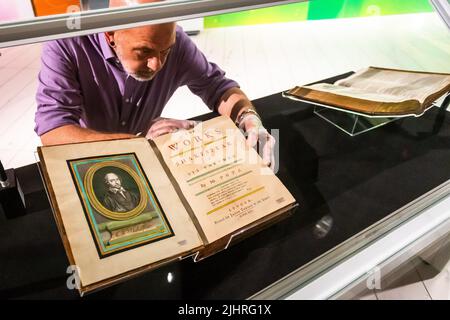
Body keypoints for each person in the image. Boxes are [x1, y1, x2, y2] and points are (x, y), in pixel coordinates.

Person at [35, 0, 275, 169]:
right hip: (88, 157)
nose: (156, 64)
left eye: (165, 50)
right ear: (110, 33)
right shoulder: (66, 44)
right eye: (144, 51)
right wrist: (142, 144)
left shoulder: (177, 42)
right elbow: (54, 130)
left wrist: (248, 117)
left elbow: (217, 87)